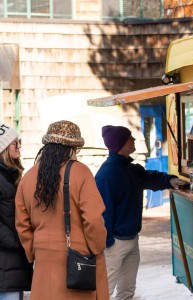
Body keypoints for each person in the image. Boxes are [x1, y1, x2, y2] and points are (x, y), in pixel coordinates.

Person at [15, 120, 109, 299]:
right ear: (72, 149)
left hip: (43, 259)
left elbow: (22, 224)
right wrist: (97, 248)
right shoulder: (81, 172)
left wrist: (34, 251)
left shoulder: (29, 177)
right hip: (78, 261)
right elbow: (93, 219)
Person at [95, 125, 188, 300]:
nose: (134, 140)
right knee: (104, 292)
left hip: (132, 240)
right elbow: (101, 212)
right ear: (121, 144)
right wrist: (107, 243)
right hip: (113, 244)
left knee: (127, 291)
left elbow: (149, 177)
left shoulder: (130, 169)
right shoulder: (106, 175)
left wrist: (170, 180)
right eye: (130, 138)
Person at [0, 124, 32, 300]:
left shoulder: (11, 175)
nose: (19, 146)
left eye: (18, 141)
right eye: (14, 143)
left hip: (12, 262)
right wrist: (19, 241)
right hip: (6, 260)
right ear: (3, 148)